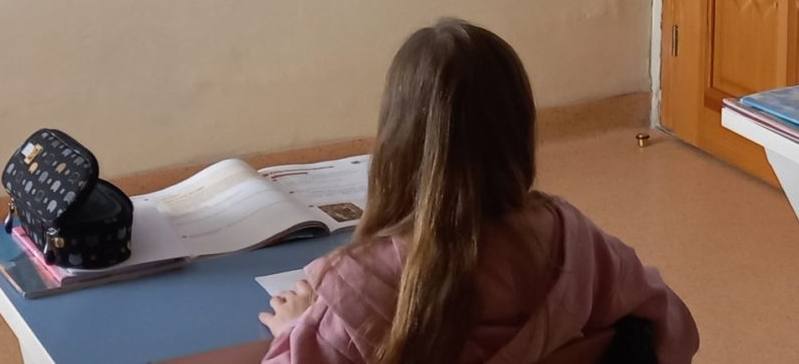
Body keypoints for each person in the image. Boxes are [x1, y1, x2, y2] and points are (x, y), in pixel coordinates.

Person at [259, 20, 699, 364]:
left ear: (397, 143)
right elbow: (671, 326)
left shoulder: (358, 284)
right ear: (520, 131)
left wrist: (295, 330)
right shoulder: (573, 240)